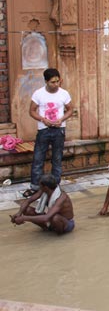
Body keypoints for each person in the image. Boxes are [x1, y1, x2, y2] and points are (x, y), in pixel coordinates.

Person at [22, 68, 73, 198]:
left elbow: (70, 110)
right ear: (46, 81)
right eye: (52, 82)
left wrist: (61, 119)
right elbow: (32, 111)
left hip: (59, 130)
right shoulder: (38, 94)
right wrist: (43, 119)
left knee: (57, 159)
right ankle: (35, 187)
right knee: (38, 158)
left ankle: (55, 186)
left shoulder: (64, 93)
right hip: (43, 130)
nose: (56, 85)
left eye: (58, 81)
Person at [10, 174, 75, 234]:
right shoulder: (44, 190)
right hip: (50, 218)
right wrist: (19, 213)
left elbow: (46, 217)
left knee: (55, 218)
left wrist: (24, 218)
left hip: (66, 223)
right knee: (27, 209)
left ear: (45, 187)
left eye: (40, 185)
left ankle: (59, 236)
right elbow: (28, 201)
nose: (39, 187)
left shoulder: (61, 197)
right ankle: (47, 228)